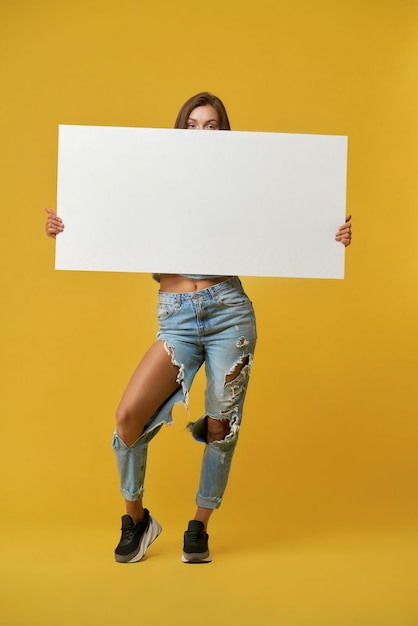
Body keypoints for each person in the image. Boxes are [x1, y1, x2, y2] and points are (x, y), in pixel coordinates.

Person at [46, 92, 352, 564]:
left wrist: (327, 235)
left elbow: (282, 219)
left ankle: (198, 527)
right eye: (193, 124)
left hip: (230, 310)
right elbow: (115, 211)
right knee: (128, 415)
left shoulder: (238, 185)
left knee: (220, 427)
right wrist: (72, 229)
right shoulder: (158, 182)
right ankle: (137, 520)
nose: (202, 133)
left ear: (225, 136)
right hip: (177, 315)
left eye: (212, 126)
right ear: (180, 132)